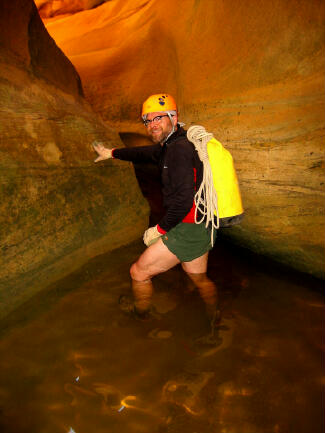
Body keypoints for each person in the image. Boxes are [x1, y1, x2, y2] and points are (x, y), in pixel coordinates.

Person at [93, 94, 219, 329]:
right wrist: (111, 153)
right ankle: (214, 315)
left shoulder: (178, 150)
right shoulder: (175, 143)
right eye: (148, 121)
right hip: (203, 226)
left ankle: (141, 314)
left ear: (174, 117)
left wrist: (159, 230)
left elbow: (182, 201)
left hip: (187, 227)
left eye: (158, 118)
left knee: (138, 273)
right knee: (197, 277)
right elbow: (146, 153)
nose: (152, 125)